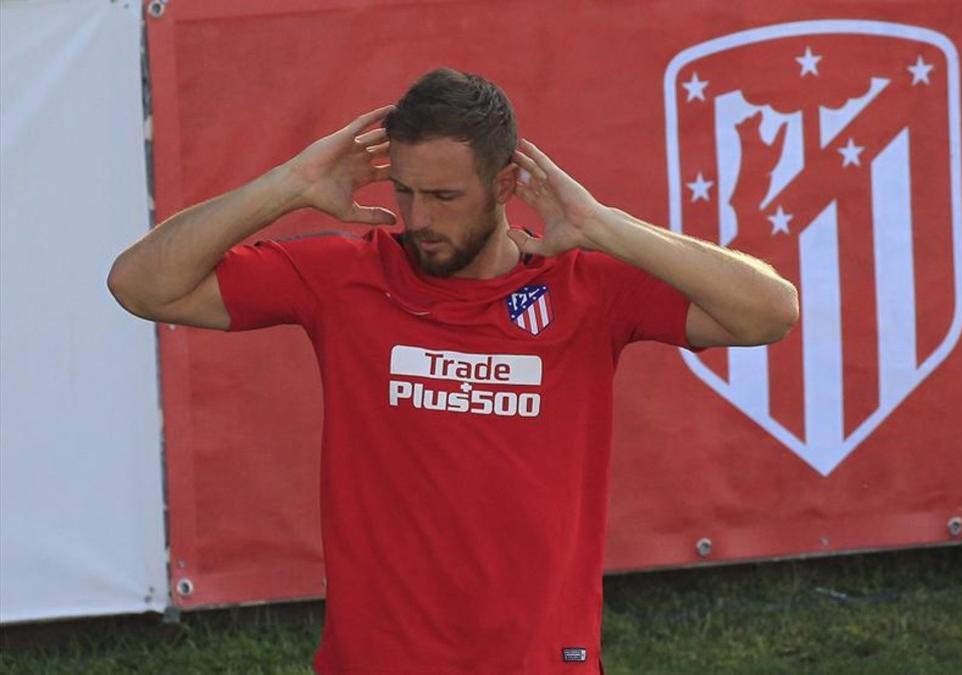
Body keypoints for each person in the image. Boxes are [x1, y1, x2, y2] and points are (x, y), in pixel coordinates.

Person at [108, 68, 798, 674]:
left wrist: (601, 223)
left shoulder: (586, 286)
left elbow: (768, 311)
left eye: (443, 196)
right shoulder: (345, 275)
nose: (418, 218)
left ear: (504, 185)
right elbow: (143, 286)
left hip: (538, 660)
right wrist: (290, 186)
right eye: (406, 192)